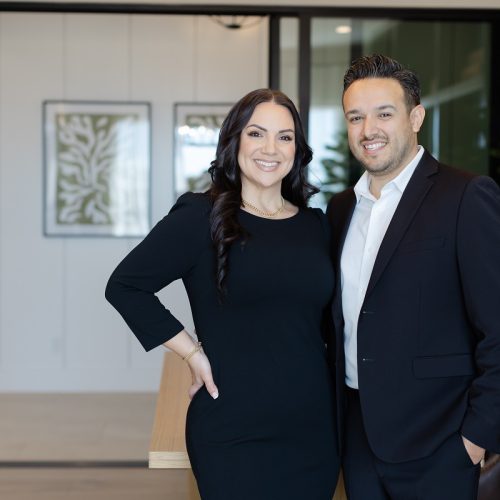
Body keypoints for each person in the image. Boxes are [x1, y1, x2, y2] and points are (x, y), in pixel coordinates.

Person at [106, 89, 340, 499]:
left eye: (285, 137)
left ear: (297, 150)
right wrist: (192, 354)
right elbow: (125, 286)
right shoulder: (201, 217)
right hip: (232, 430)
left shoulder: (316, 227)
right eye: (257, 134)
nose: (271, 148)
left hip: (313, 428)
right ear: (234, 141)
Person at [326, 54, 500, 500]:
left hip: (439, 443)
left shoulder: (465, 196)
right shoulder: (341, 208)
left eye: (385, 113)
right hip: (358, 437)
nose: (369, 130)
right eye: (356, 117)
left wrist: (475, 437)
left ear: (416, 116)